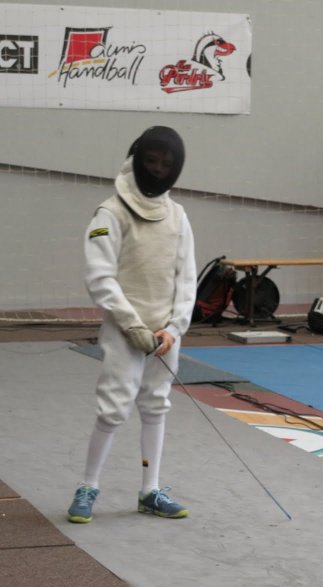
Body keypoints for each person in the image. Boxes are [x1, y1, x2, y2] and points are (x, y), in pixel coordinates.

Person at [66, 126, 197, 524]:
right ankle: (88, 486)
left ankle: (150, 490)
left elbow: (187, 279)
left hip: (164, 334)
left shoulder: (177, 215)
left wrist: (174, 328)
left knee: (156, 405)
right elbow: (100, 277)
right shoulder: (110, 212)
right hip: (125, 332)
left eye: (166, 164)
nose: (157, 169)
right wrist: (131, 324)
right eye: (151, 161)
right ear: (137, 160)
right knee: (113, 408)